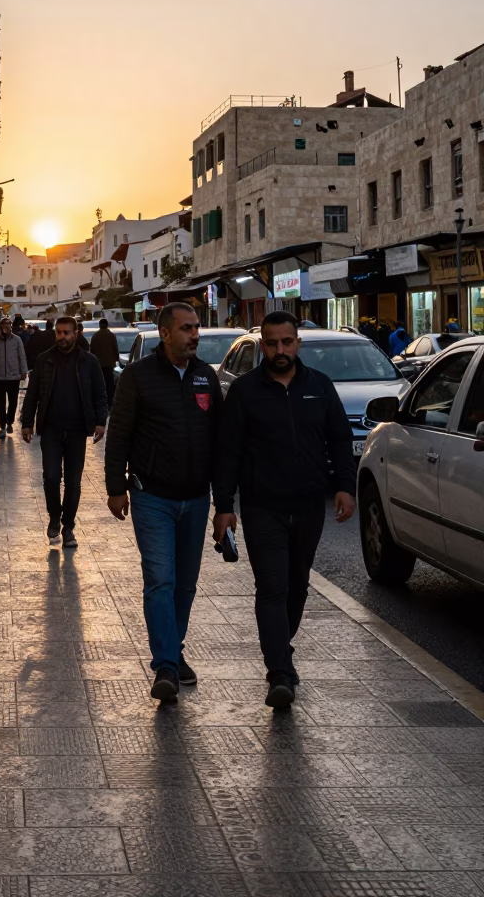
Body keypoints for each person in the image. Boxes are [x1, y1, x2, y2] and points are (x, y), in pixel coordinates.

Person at [212, 310, 356, 709]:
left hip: (310, 506)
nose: (280, 350)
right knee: (272, 588)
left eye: (287, 342)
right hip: (263, 507)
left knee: (297, 588)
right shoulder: (244, 392)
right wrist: (224, 507)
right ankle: (279, 672)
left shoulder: (320, 387)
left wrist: (345, 486)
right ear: (262, 346)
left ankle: (281, 648)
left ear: (298, 344)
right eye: (272, 343)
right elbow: (227, 453)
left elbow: (340, 440)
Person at [105, 302, 223, 702]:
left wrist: (224, 503)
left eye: (197, 328)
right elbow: (118, 433)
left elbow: (220, 444)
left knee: (185, 585)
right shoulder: (137, 377)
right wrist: (114, 486)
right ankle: (166, 667)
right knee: (160, 580)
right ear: (166, 333)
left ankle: (175, 649)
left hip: (196, 498)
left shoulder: (207, 377)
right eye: (187, 329)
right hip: (151, 496)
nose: (194, 335)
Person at [21, 316, 107, 549]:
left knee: (73, 483)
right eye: (59, 333)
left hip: (78, 430)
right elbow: (33, 394)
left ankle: (68, 527)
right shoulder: (44, 360)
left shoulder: (89, 362)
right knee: (50, 477)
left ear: (76, 334)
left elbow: (100, 394)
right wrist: (26, 422)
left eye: (67, 333)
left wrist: (100, 421)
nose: (62, 337)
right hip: (51, 428)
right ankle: (54, 517)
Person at [0, 316, 29, 439]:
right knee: (0, 404)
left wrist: (23, 371)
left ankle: (10, 421)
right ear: (0, 327)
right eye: (4, 326)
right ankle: (2, 427)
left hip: (13, 377)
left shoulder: (17, 340)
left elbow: (22, 356)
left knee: (13, 403)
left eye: (8, 325)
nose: (7, 328)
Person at [90, 317, 120, 407]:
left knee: (99, 385)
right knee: (110, 385)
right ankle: (109, 403)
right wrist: (116, 359)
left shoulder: (95, 336)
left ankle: (100, 403)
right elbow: (115, 349)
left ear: (100, 325)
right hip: (109, 364)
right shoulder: (111, 336)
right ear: (107, 325)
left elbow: (91, 350)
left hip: (98, 365)